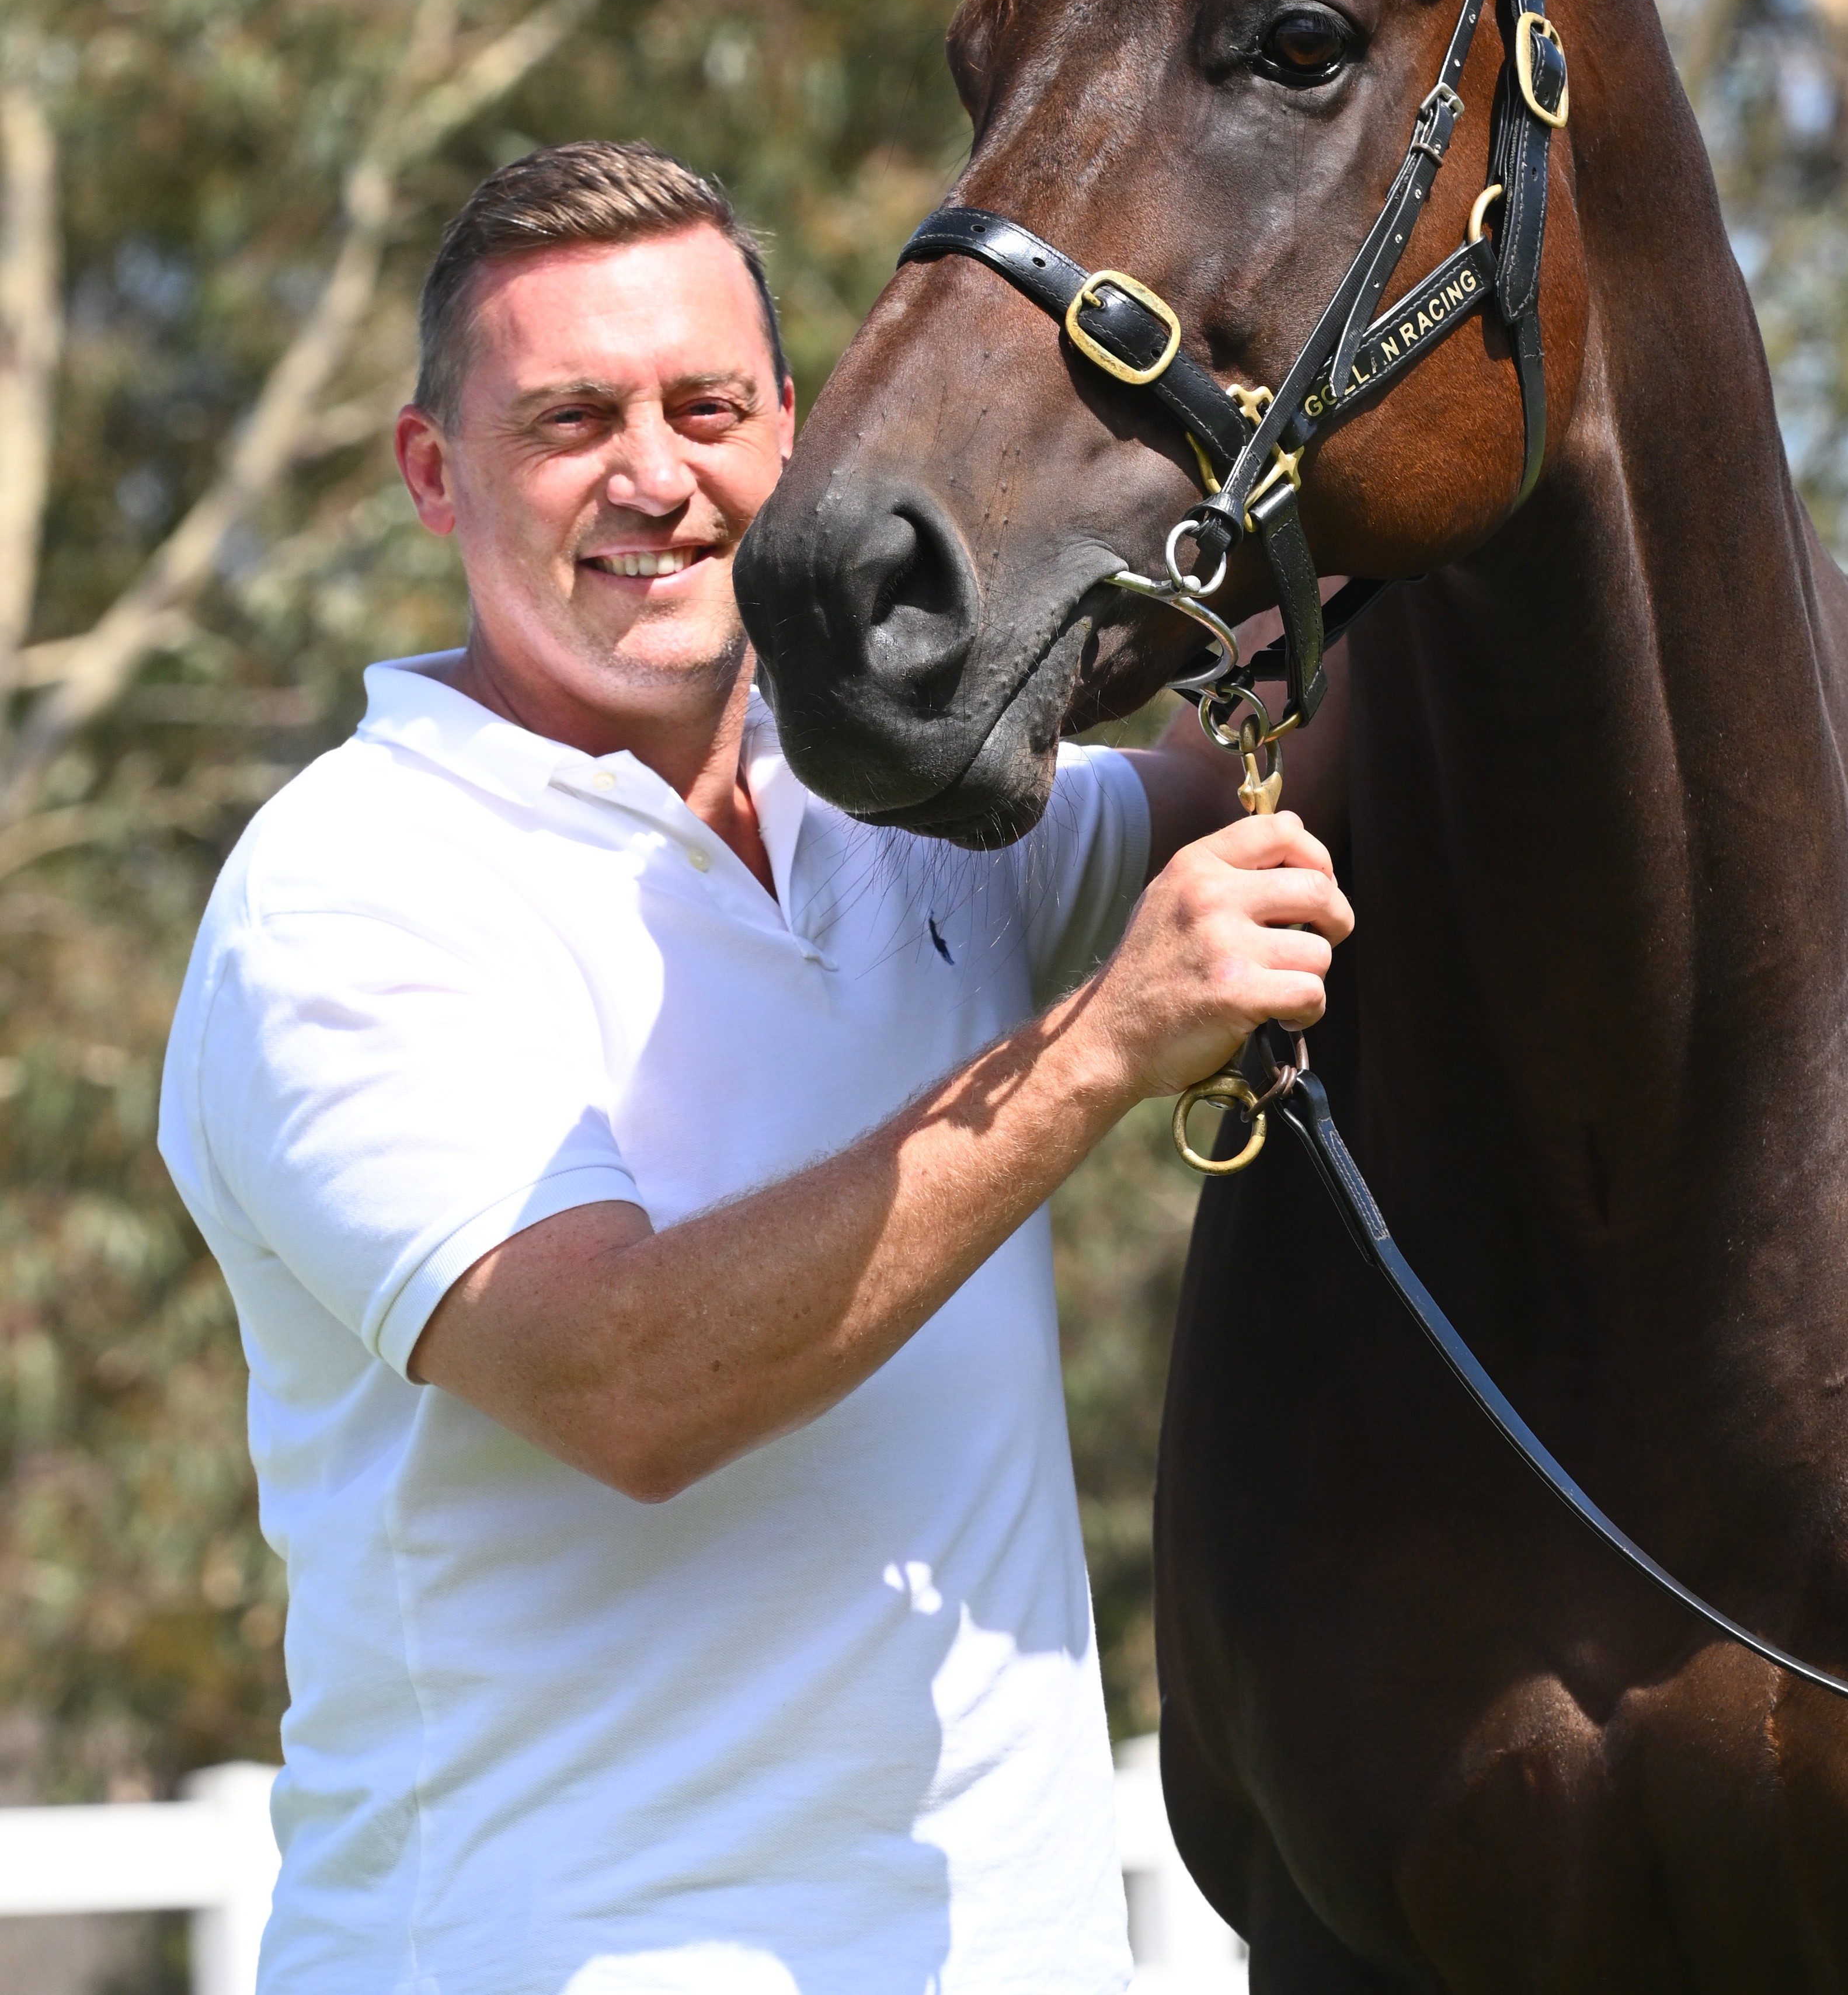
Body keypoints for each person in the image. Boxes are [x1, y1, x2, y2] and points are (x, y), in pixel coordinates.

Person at [156, 141, 1348, 1992]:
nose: (656, 473)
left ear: (792, 431)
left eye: (708, 405)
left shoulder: (898, 803)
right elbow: (620, 1380)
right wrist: (1101, 1047)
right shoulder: (348, 888)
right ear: (430, 472)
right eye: (570, 418)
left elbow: (1306, 814)